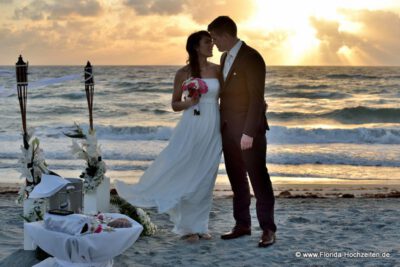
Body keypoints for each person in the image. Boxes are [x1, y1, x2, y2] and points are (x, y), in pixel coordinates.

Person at [115, 31, 222, 242]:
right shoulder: (183, 73)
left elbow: (228, 98)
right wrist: (189, 103)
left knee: (206, 175)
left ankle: (201, 226)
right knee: (186, 170)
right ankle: (187, 228)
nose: (212, 45)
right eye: (207, 42)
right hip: (192, 124)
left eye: (212, 41)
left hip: (214, 124)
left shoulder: (218, 70)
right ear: (195, 47)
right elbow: (174, 104)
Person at [207, 16, 276, 247]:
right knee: (237, 180)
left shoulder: (252, 57)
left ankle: (267, 229)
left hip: (249, 133)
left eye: (215, 38)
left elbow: (257, 99)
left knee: (259, 180)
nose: (213, 43)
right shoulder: (225, 57)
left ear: (226, 35)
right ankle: (242, 225)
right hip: (227, 131)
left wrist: (249, 133)